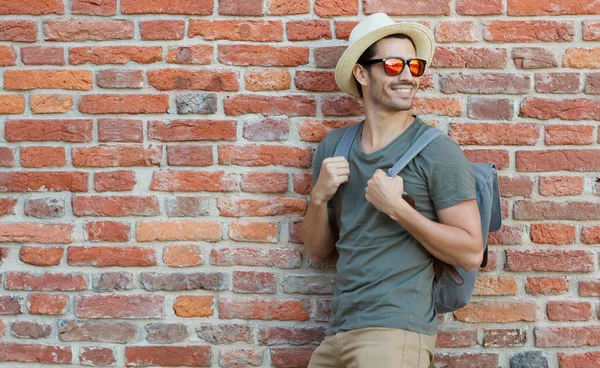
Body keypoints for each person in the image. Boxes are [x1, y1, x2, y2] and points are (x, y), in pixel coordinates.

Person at [299, 13, 484, 368]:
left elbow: (471, 252)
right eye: (394, 64)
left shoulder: (436, 150)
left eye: (414, 66)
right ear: (361, 73)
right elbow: (318, 249)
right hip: (338, 330)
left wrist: (398, 208)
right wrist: (319, 197)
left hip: (395, 332)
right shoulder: (335, 148)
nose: (407, 76)